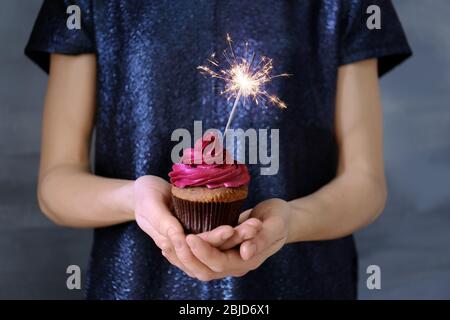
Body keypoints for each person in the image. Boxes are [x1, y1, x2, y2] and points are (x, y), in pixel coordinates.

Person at [25, 0, 411, 299]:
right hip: (135, 286)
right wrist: (134, 199)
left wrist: (292, 221)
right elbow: (55, 187)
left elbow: (365, 183)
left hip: (305, 283)